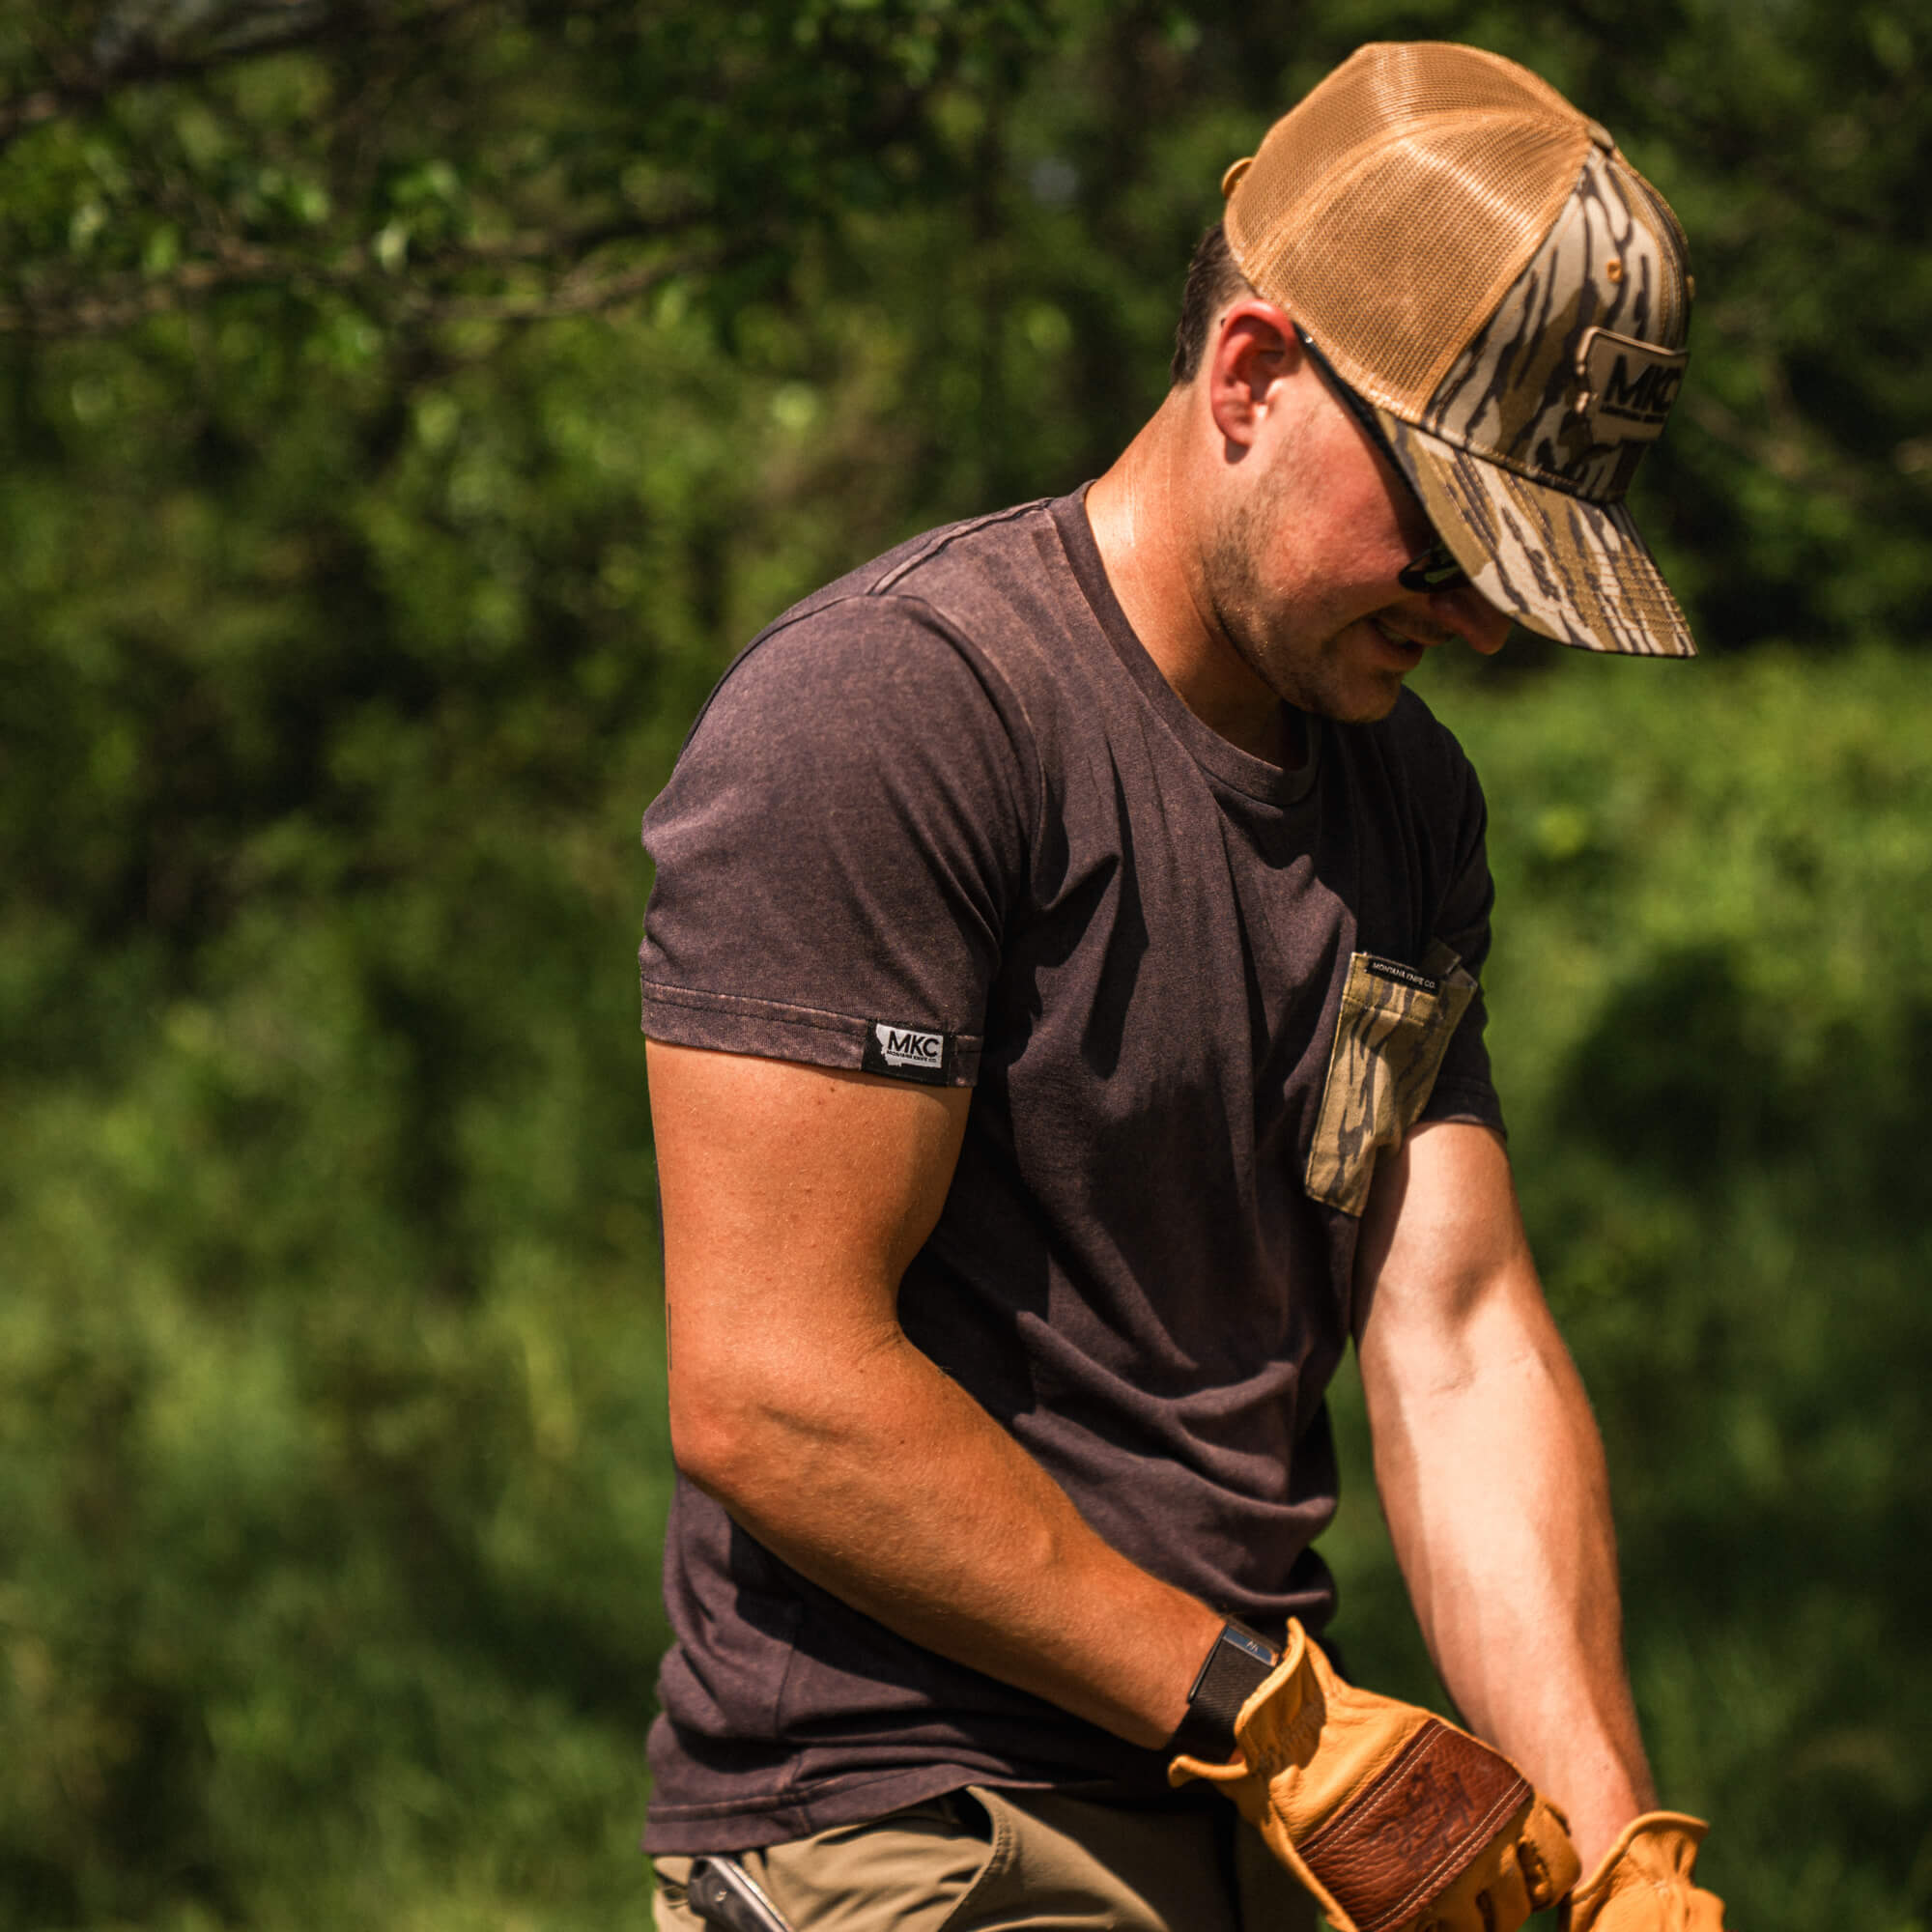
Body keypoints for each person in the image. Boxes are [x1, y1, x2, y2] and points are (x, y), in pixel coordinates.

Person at [637, 41, 1725, 1932]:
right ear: (1251, 374)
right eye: (1454, 536)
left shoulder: (1408, 802)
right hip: (911, 1815)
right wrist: (1269, 1713)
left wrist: (1613, 1841)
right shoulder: (897, 714)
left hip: (1251, 1812)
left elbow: (1453, 1335)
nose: (1478, 618)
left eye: (1522, 574)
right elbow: (773, 1385)